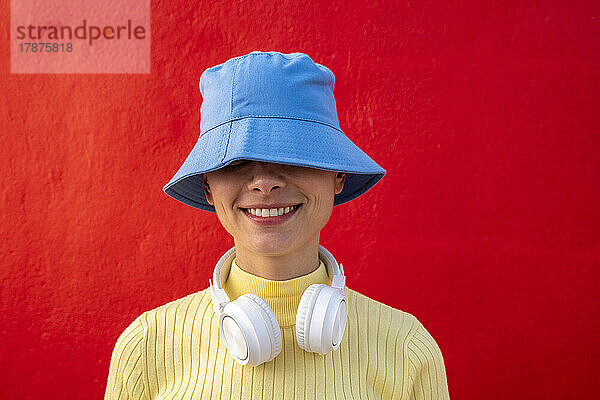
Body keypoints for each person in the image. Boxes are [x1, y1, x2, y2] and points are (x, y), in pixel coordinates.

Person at [105, 51, 450, 399]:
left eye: (294, 154)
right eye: (236, 160)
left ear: (338, 175)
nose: (264, 183)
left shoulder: (406, 350)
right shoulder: (147, 347)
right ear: (208, 186)